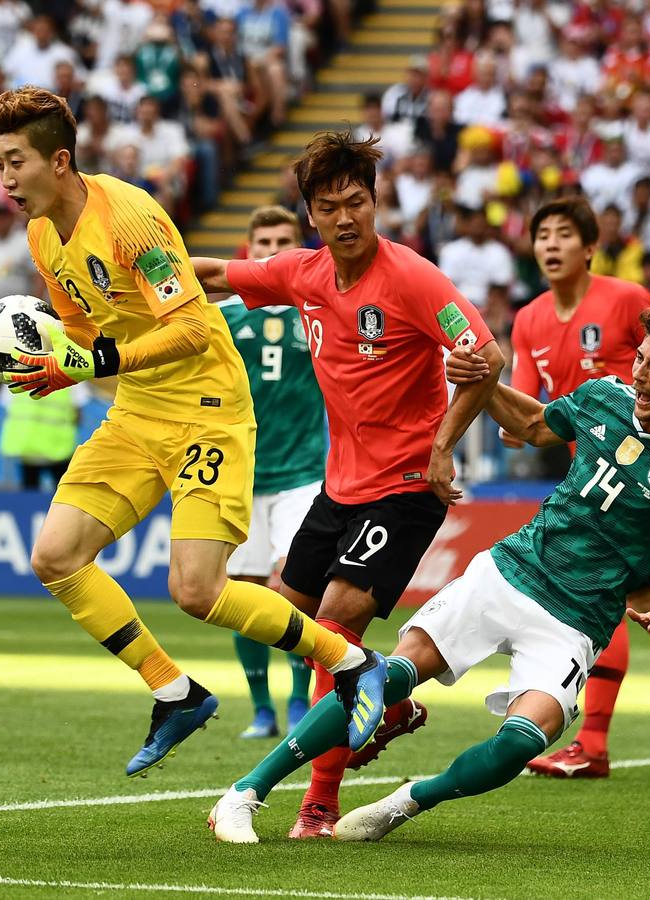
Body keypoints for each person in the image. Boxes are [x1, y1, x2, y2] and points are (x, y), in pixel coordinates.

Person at [0, 88, 387, 779]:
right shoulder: (43, 234)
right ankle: (175, 692)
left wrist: (94, 363)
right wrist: (31, 356)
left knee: (198, 591)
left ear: (59, 161)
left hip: (208, 408)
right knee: (56, 556)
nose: (4, 178)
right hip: (139, 410)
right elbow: (82, 334)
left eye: (16, 162)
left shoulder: (131, 220)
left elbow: (191, 327)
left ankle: (352, 662)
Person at [208, 306, 650, 844]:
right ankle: (246, 791)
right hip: (508, 573)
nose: (639, 374)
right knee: (379, 678)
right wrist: (482, 378)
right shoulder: (605, 396)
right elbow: (533, 425)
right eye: (640, 359)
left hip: (578, 621)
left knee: (521, 742)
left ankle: (408, 800)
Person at [193, 131, 504, 838]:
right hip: (339, 488)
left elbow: (486, 355)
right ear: (310, 215)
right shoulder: (303, 273)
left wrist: (443, 447)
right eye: (329, 207)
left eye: (356, 202)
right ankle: (389, 702)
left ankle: (318, 804)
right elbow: (214, 274)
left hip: (406, 487)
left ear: (376, 202)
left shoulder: (413, 278)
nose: (344, 218)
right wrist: (136, 269)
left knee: (334, 630)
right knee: (290, 623)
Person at [446, 197, 650, 780]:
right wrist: (503, 408)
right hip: (591, 488)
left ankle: (592, 744)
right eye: (541, 234)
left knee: (601, 608)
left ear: (590, 247)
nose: (550, 244)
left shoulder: (624, 299)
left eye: (563, 234)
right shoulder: (530, 318)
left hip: (645, 492)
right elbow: (531, 418)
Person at [216, 206, 323, 740]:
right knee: (245, 592)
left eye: (284, 241)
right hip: (241, 476)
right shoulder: (224, 317)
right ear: (249, 250)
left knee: (296, 587)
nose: (273, 251)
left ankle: (300, 699)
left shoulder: (319, 310)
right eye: (264, 243)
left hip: (303, 474)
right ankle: (262, 709)